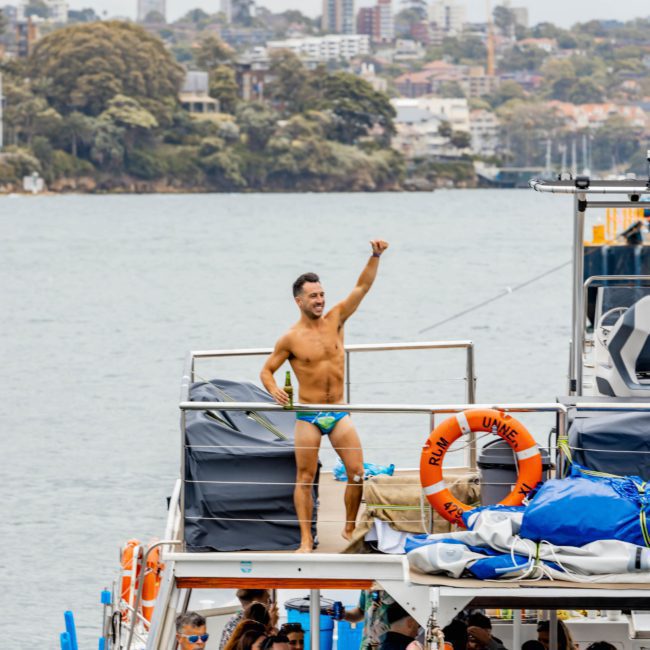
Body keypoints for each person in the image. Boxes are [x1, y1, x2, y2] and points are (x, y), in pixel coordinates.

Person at [261, 239, 390, 553]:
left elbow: (362, 287)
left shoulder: (336, 319)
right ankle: (306, 540)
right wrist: (274, 389)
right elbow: (266, 370)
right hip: (309, 415)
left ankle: (348, 527)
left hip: (340, 413)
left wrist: (375, 255)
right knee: (305, 477)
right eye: (313, 296)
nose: (319, 300)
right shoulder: (290, 338)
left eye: (321, 295)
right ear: (299, 301)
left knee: (357, 472)